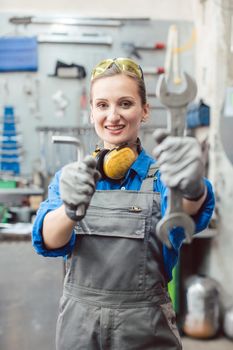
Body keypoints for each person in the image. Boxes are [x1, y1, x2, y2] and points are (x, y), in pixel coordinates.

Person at [32, 57, 215, 350]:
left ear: (144, 111)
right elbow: (48, 240)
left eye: (125, 103)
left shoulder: (164, 176)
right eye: (102, 105)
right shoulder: (72, 179)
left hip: (145, 327)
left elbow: (187, 209)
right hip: (80, 328)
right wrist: (69, 209)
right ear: (91, 113)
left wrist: (192, 187)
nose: (113, 115)